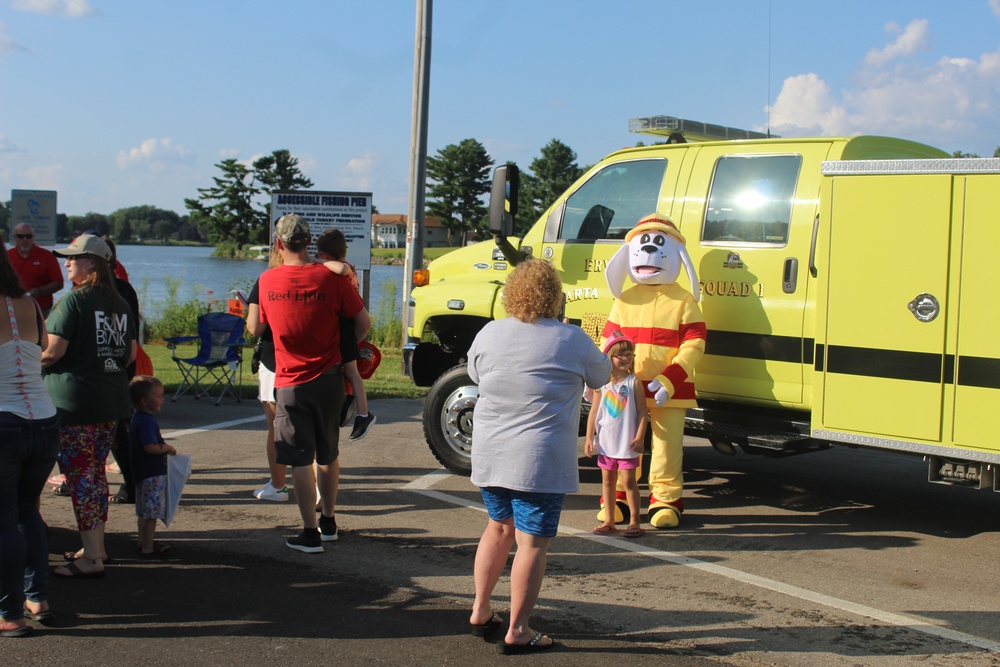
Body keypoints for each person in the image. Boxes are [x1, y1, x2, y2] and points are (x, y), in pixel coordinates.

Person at [466, 258, 610, 654]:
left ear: (514, 292)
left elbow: (478, 376)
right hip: (538, 460)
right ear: (556, 297)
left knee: (498, 527)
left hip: (492, 452)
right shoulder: (571, 339)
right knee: (531, 544)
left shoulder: (490, 332)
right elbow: (602, 376)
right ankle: (518, 629)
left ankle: (480, 611)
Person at [250, 214, 370, 554]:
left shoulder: (268, 280)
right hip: (330, 379)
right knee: (328, 454)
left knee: (300, 460)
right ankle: (329, 520)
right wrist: (341, 351)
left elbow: (256, 326)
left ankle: (310, 531)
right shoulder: (331, 279)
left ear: (279, 244)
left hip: (291, 382)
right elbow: (362, 323)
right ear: (308, 242)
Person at [42, 234, 136, 578]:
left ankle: (93, 557)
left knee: (81, 476)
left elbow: (53, 352)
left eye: (74, 258)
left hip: (74, 405)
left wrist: (24, 363)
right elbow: (130, 354)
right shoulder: (119, 303)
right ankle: (96, 546)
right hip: (110, 401)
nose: (67, 263)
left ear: (93, 264)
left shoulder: (73, 302)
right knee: (94, 475)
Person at [0, 240, 59, 637]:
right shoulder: (30, 303)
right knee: (28, 513)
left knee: (4, 521)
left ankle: (9, 614)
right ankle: (36, 596)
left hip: (5, 420)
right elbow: (37, 348)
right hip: (44, 420)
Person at [585, 331, 648, 538]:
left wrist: (639, 437)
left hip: (627, 444)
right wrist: (588, 438)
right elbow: (594, 412)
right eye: (620, 355)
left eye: (629, 354)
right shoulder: (601, 383)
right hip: (606, 443)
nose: (625, 358)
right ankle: (610, 520)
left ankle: (634, 521)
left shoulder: (633, 382)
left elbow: (642, 412)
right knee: (607, 481)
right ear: (609, 357)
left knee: (629, 482)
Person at [314, 229, 376, 440]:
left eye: (319, 252)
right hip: (346, 321)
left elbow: (339, 268)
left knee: (350, 370)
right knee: (348, 371)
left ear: (324, 253)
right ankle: (352, 405)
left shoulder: (343, 268)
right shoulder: (349, 267)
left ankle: (363, 414)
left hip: (345, 322)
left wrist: (315, 261)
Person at [245, 247, 288, 502]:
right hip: (309, 361)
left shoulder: (267, 279)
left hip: (274, 360)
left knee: (275, 427)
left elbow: (254, 326)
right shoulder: (317, 277)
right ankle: (317, 487)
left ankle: (278, 484)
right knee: (311, 427)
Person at [127, 375, 176, 557]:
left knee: (143, 512)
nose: (162, 399)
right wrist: (167, 447)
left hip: (141, 472)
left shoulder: (137, 417)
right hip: (152, 474)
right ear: (144, 401)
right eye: (158, 395)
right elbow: (150, 447)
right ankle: (148, 546)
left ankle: (143, 541)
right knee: (151, 514)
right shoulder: (146, 421)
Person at [6, 223, 64, 317]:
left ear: (33, 237)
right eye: (21, 236)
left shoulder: (47, 256)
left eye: (28, 236)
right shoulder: (6, 256)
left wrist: (39, 291)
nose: (24, 239)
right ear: (14, 237)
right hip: (11, 309)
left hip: (41, 310)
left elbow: (58, 283)